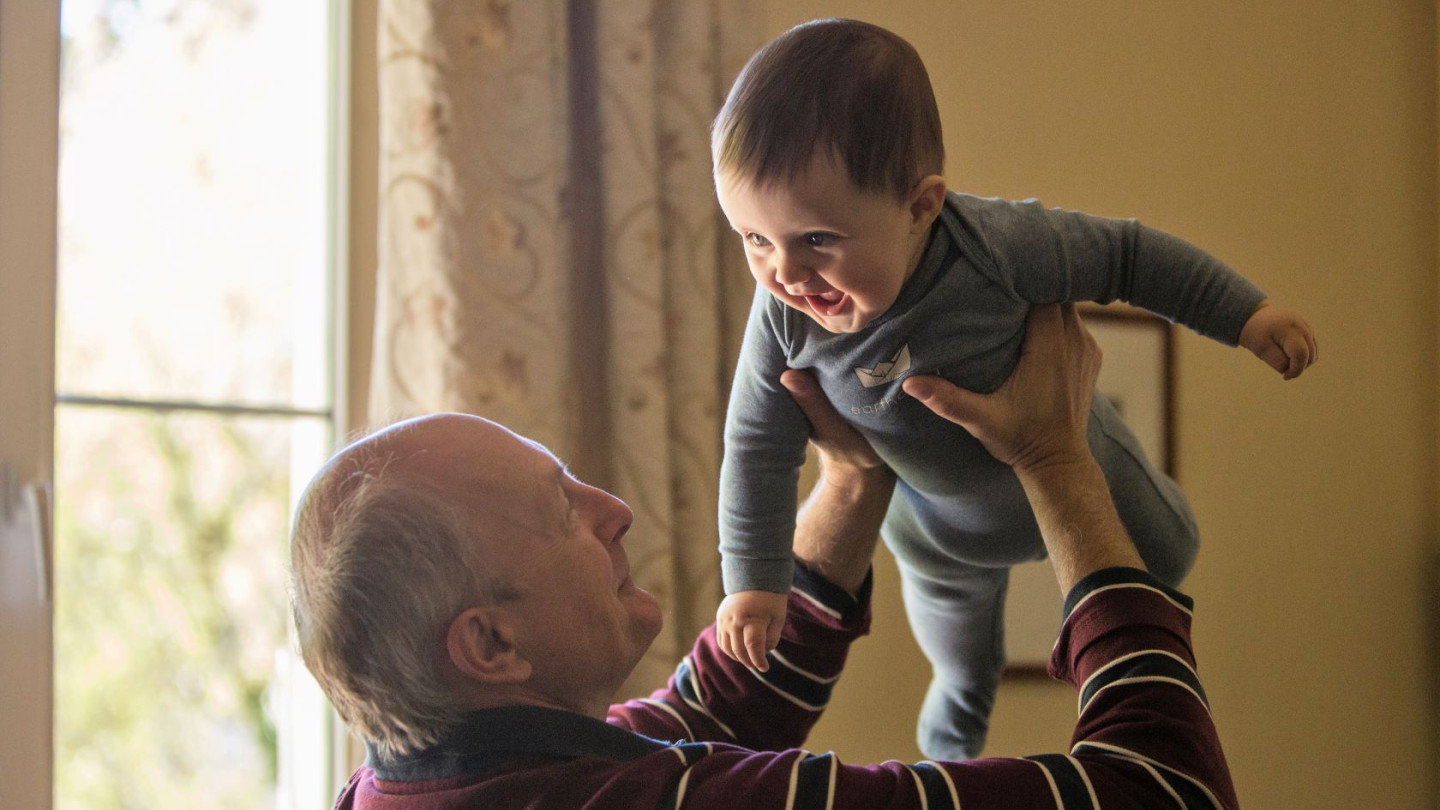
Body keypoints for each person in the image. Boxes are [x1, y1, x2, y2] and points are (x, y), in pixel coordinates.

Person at [291, 304, 1240, 809]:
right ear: (490, 646)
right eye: (561, 510)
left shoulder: (430, 779)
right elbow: (1164, 794)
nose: (614, 511)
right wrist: (1058, 461)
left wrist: (852, 476)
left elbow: (717, 707)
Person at [711, 17, 1317, 759]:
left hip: (1078, 459)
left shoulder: (995, 246)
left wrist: (1247, 315)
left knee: (1171, 553)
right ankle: (951, 756)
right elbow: (755, 448)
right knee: (963, 667)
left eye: (817, 240)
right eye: (754, 239)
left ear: (920, 207)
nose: (786, 274)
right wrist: (754, 582)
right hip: (938, 534)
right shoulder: (781, 318)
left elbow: (1129, 256)